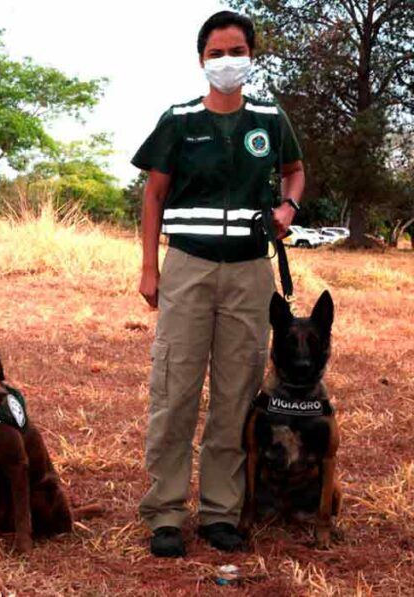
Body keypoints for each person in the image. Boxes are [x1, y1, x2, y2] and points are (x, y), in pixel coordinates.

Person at [132, 11, 305, 557]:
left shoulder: (269, 119)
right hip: (187, 266)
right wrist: (149, 267)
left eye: (238, 51)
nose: (228, 62)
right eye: (217, 53)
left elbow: (294, 170)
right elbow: (154, 196)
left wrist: (288, 205)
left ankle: (219, 513)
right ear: (201, 59)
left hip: (250, 272)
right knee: (175, 390)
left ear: (252, 56)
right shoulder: (179, 120)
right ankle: (164, 513)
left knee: (235, 394)